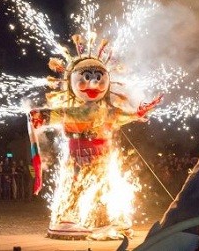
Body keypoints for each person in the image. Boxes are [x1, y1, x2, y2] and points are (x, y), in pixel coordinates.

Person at [27, 35, 162, 235]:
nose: (93, 85)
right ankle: (66, 219)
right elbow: (51, 115)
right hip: (78, 157)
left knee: (105, 187)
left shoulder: (108, 110)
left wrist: (138, 113)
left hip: (103, 156)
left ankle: (105, 218)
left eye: (99, 78)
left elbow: (123, 116)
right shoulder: (70, 110)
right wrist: (40, 117)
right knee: (76, 183)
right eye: (86, 78)